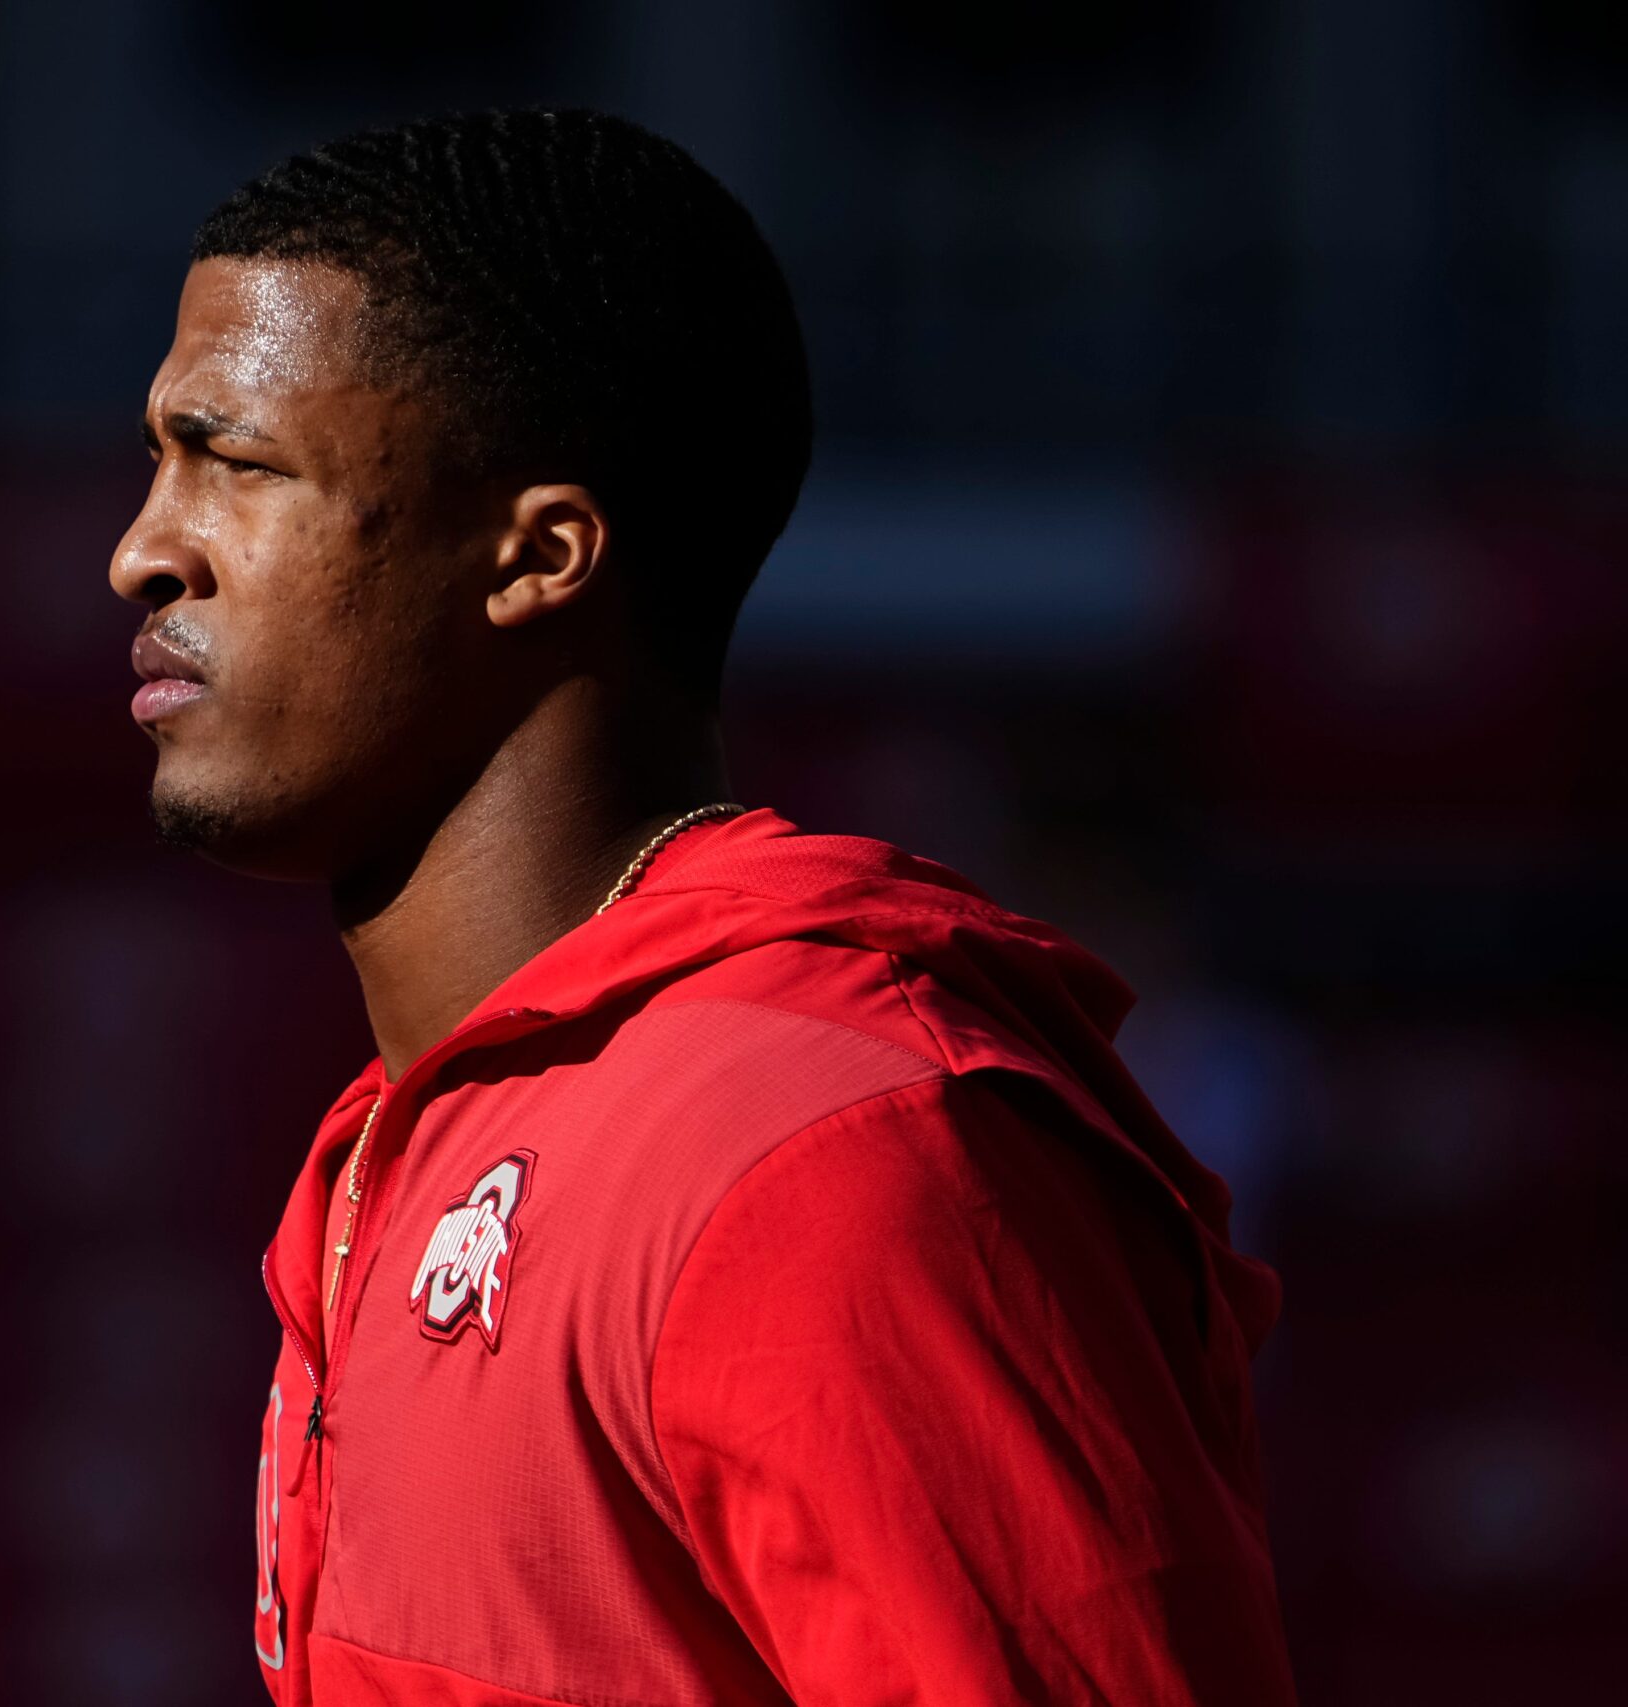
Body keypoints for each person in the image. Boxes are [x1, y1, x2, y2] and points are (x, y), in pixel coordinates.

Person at [111, 109, 1295, 1707]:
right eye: (160, 461)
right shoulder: (401, 1145)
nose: (142, 552)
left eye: (237, 463)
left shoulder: (835, 1145)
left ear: (537, 556)